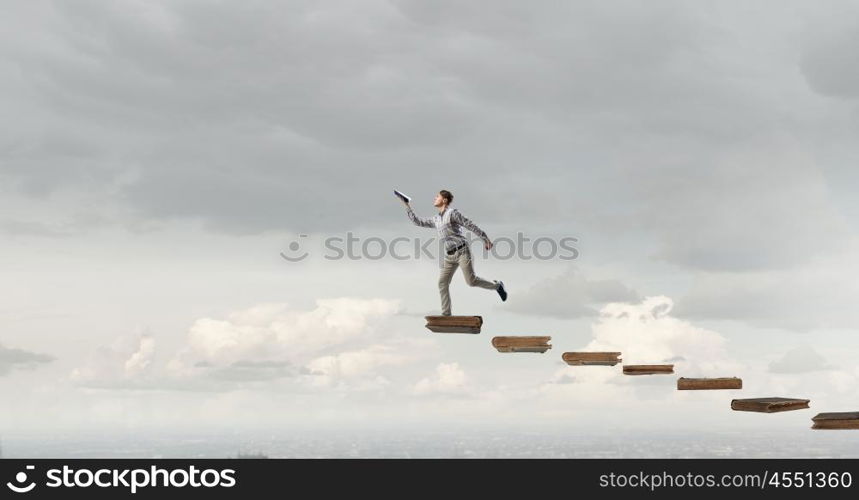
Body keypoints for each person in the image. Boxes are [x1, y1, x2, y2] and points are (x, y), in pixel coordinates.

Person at [401, 189, 507, 316]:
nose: (434, 198)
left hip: (462, 251)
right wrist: (406, 204)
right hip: (449, 256)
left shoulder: (453, 213)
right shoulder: (436, 219)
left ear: (444, 200)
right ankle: (446, 314)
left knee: (471, 281)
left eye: (437, 197)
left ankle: (497, 286)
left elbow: (469, 224)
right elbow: (417, 221)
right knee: (442, 282)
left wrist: (485, 238)